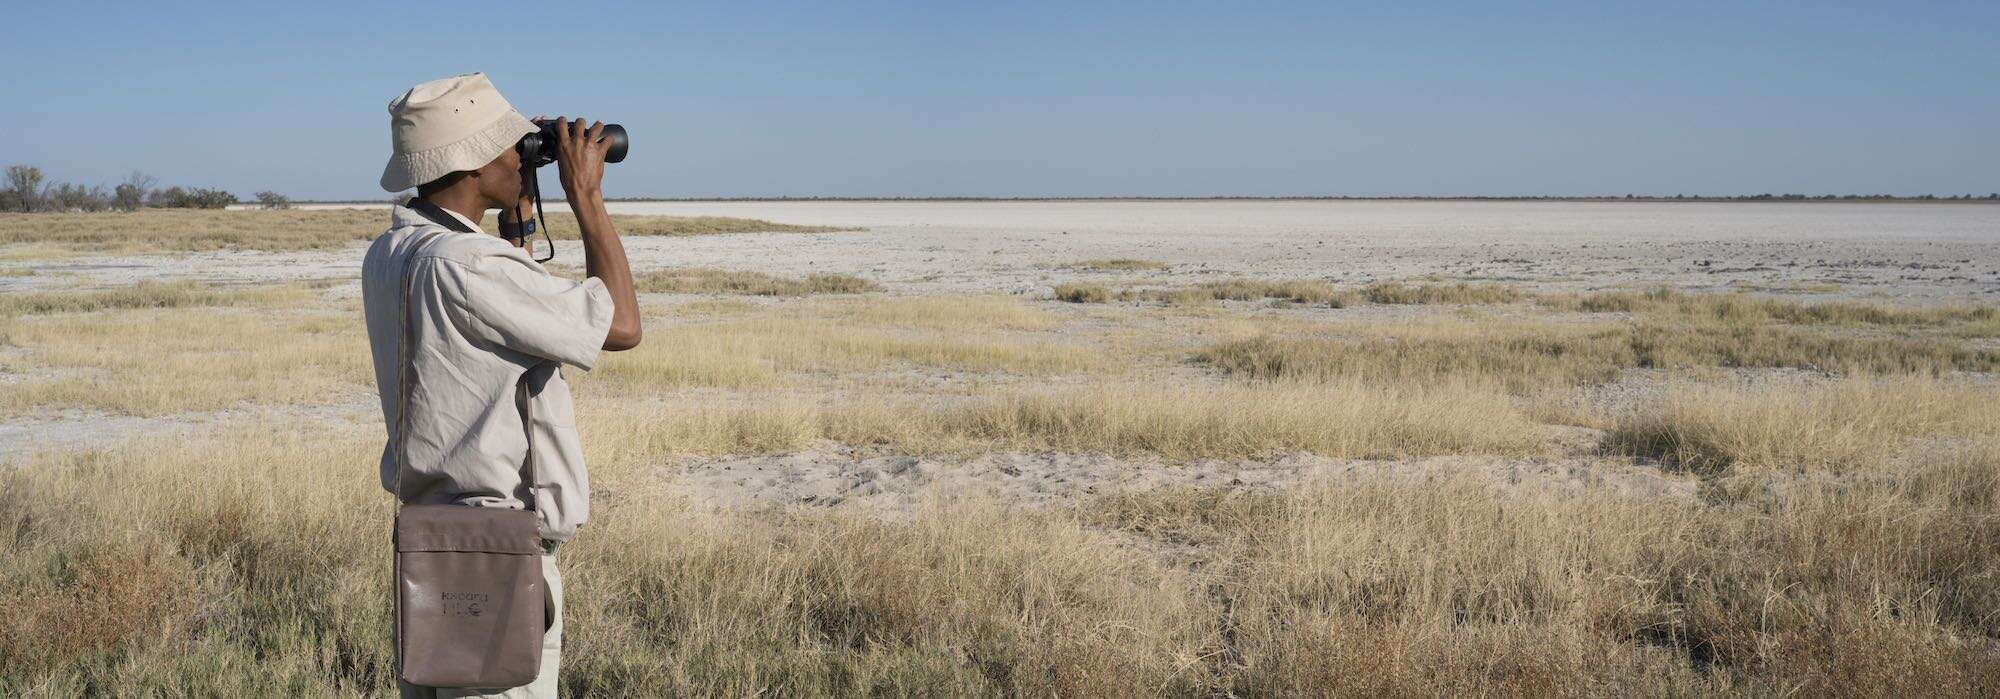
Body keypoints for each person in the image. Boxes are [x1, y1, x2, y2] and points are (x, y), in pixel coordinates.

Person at [361, 72, 642, 697]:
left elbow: (495, 305)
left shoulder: (395, 251)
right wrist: (586, 198)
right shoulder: (468, 267)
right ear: (474, 160)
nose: (525, 154)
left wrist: (517, 211)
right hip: (497, 551)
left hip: (431, 541)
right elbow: (620, 326)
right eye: (514, 145)